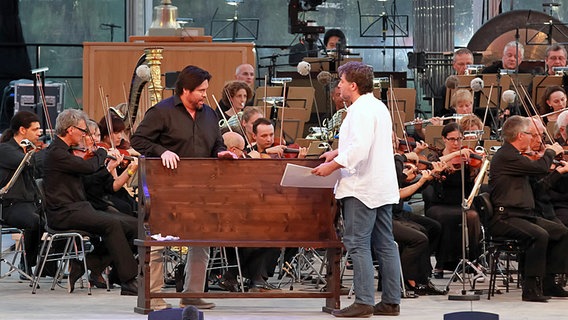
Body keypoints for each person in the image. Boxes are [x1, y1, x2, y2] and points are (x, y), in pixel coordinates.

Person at [131, 65, 235, 310]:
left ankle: (192, 294)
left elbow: (216, 143)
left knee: (202, 241)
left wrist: (222, 153)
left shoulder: (209, 114)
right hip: (167, 187)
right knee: (157, 242)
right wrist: (161, 150)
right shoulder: (161, 112)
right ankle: (154, 297)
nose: (204, 95)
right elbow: (138, 139)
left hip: (201, 189)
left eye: (206, 90)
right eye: (200, 91)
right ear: (185, 90)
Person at [312, 61, 401, 317]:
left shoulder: (359, 110)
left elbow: (360, 150)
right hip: (381, 185)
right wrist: (338, 151)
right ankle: (391, 301)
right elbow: (367, 143)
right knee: (385, 243)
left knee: (357, 242)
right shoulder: (377, 106)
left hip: (362, 187)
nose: (338, 86)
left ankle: (363, 301)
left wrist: (333, 166)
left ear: (352, 85)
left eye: (341, 81)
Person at [43, 109, 138, 295]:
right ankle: (128, 281)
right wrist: (102, 153)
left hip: (79, 209)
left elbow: (90, 175)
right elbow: (87, 167)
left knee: (135, 226)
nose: (85, 135)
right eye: (83, 131)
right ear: (70, 130)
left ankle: (102, 268)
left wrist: (108, 167)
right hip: (64, 213)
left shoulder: (67, 152)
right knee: (112, 224)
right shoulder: (56, 153)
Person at [489, 115, 568, 301]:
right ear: (520, 135)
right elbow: (540, 168)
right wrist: (551, 151)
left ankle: (549, 282)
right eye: (530, 134)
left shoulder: (516, 157)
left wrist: (558, 172)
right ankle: (530, 288)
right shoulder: (506, 155)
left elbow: (537, 188)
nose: (533, 139)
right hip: (505, 217)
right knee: (539, 235)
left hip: (523, 216)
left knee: (561, 232)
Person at [423, 122, 482, 278]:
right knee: (445, 218)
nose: (456, 143)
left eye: (459, 139)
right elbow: (434, 165)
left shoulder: (467, 157)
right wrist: (456, 154)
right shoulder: (435, 155)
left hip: (460, 201)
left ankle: (473, 260)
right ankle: (441, 264)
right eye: (452, 139)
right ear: (444, 139)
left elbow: (473, 184)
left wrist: (476, 169)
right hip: (439, 203)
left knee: (473, 216)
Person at [0, 111, 42, 277]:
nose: (40, 133)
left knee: (57, 218)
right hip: (10, 204)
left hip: (31, 201)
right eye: (35, 129)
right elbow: (27, 162)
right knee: (35, 221)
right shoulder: (5, 149)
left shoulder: (29, 149)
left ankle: (48, 267)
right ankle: (28, 262)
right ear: (23, 130)